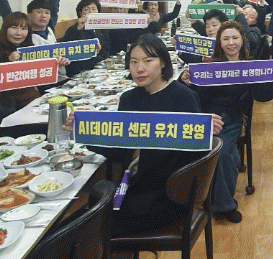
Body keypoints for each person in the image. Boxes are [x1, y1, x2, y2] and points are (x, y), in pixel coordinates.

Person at [75, 34, 222, 236]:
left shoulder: (183, 97)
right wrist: (86, 132)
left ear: (163, 62)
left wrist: (206, 132)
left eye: (148, 61)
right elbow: (121, 151)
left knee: (92, 229)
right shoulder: (129, 99)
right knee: (84, 219)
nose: (140, 69)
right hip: (131, 185)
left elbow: (195, 158)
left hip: (167, 194)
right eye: (134, 62)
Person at [182, 21, 273, 223]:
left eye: (235, 38)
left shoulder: (251, 66)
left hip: (233, 117)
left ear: (242, 40)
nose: (231, 43)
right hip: (206, 116)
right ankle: (194, 197)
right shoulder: (209, 66)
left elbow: (262, 96)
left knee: (225, 153)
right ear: (219, 42)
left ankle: (223, 206)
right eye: (225, 38)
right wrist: (187, 84)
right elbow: (197, 97)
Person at [0, 12, 67, 108]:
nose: (18, 33)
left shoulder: (30, 49)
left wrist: (55, 66)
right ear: (5, 29)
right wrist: (8, 62)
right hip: (11, 106)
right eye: (14, 28)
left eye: (24, 28)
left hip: (34, 101)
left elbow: (39, 77)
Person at [60, 0, 110, 77]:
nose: (90, 12)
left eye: (93, 9)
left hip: (99, 68)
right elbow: (68, 48)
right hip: (79, 71)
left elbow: (106, 49)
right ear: (80, 13)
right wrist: (79, 28)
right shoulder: (74, 29)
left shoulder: (101, 28)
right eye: (86, 9)